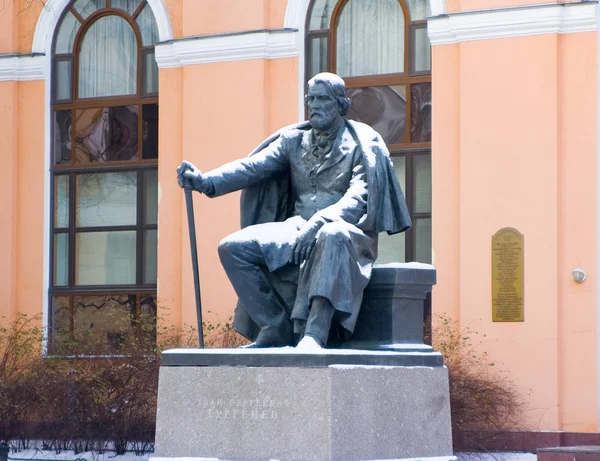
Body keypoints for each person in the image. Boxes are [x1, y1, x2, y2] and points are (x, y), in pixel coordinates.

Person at [177, 72, 411, 350]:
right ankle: (274, 325)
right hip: (296, 227)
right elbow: (252, 167)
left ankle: (315, 333)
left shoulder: (362, 144)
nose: (315, 105)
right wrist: (206, 181)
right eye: (310, 99)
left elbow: (358, 198)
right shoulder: (293, 142)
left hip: (347, 235)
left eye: (323, 99)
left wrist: (320, 222)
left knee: (332, 233)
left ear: (342, 105)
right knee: (232, 247)